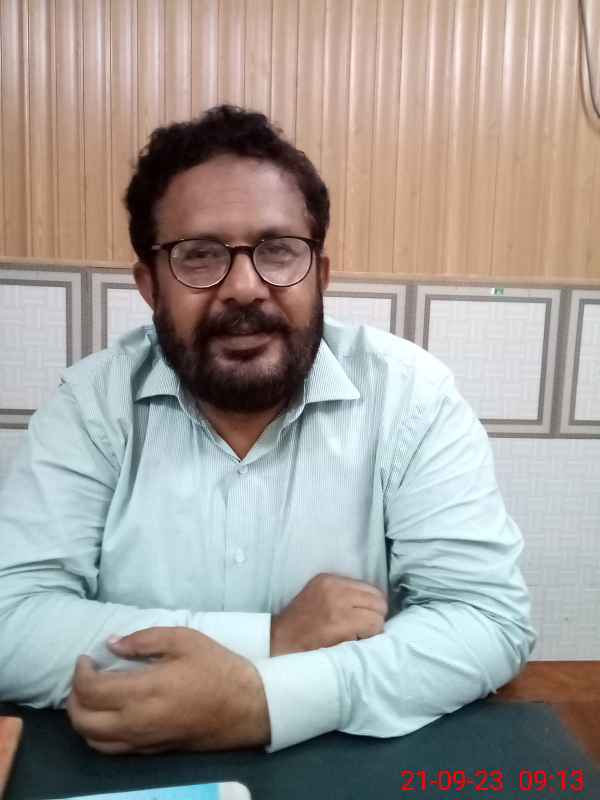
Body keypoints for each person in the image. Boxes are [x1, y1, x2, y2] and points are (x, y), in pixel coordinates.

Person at [0, 105, 535, 755]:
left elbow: (486, 618)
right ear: (150, 286)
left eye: (279, 251)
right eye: (200, 256)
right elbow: (11, 621)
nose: (245, 288)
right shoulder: (92, 407)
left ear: (321, 275)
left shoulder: (411, 399)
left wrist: (262, 701)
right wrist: (273, 638)